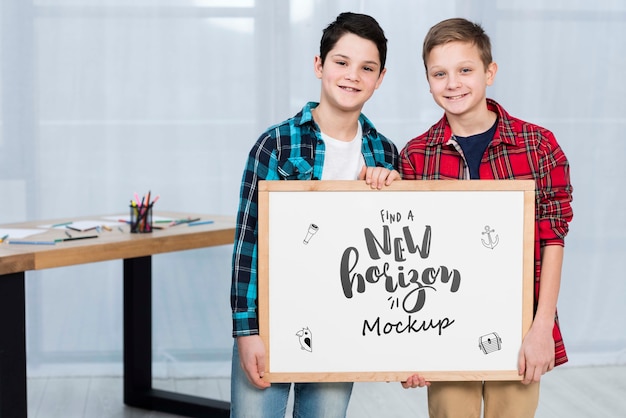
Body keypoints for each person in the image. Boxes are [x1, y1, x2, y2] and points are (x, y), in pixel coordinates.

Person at [230, 12, 426, 417]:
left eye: (366, 68)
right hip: (272, 321)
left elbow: (393, 262)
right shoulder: (276, 144)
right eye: (341, 62)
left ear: (380, 78)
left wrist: (393, 190)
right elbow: (248, 243)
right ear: (319, 65)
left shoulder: (386, 154)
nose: (352, 75)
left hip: (341, 327)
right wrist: (247, 332)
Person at [399, 18, 573, 418]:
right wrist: (407, 347)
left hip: (518, 324)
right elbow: (407, 255)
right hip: (442, 326)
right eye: (439, 74)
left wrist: (541, 327)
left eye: (465, 70)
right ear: (428, 82)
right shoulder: (416, 155)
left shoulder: (538, 145)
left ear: (489, 73)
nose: (453, 83)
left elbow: (553, 237)